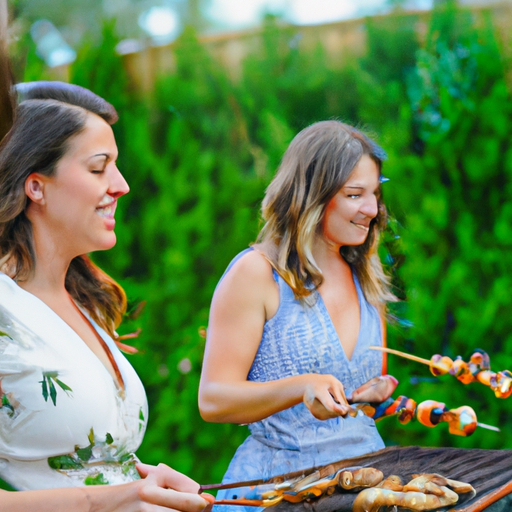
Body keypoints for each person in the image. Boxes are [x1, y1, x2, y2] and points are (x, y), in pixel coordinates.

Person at [0, 80, 212, 512]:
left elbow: (90, 468)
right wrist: (122, 496)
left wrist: (147, 479)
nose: (121, 185)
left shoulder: (84, 304)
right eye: (99, 168)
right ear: (35, 186)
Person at [199, 121, 398, 492]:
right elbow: (213, 399)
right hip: (277, 488)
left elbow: (361, 405)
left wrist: (383, 399)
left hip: (366, 483)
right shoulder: (256, 273)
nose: (371, 209)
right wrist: (300, 386)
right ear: (311, 195)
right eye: (355, 195)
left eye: (375, 194)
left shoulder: (367, 276)